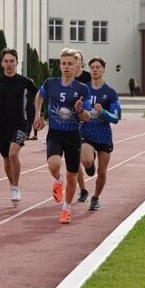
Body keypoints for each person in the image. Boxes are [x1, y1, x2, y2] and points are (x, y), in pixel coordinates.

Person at [33, 48, 90, 224]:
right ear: (59, 65)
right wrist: (38, 114)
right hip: (55, 134)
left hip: (73, 136)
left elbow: (87, 116)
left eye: (70, 64)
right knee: (54, 164)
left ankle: (66, 208)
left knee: (73, 175)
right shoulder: (51, 83)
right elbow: (39, 96)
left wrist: (81, 110)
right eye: (63, 63)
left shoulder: (82, 88)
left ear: (77, 66)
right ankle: (58, 180)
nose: (66, 67)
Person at [0, 48, 38, 207]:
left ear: (17, 63)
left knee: (13, 154)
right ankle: (13, 185)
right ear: (2, 63)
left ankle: (15, 186)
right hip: (2, 125)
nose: (9, 64)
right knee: (6, 159)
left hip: (21, 123)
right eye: (6, 61)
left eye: (12, 61)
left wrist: (38, 114)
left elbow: (41, 94)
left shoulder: (24, 81)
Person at [79, 56, 121, 211]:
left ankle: (95, 198)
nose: (95, 70)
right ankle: (90, 164)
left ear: (103, 69)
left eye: (98, 67)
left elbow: (116, 118)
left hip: (104, 135)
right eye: (92, 67)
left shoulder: (110, 92)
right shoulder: (84, 90)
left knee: (102, 171)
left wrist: (103, 111)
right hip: (87, 133)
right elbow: (77, 110)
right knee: (87, 161)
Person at [72, 49, 92, 202]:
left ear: (81, 62)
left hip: (88, 120)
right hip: (71, 122)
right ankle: (83, 189)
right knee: (75, 159)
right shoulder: (66, 78)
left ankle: (91, 157)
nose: (75, 64)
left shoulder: (88, 78)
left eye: (77, 60)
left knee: (85, 159)